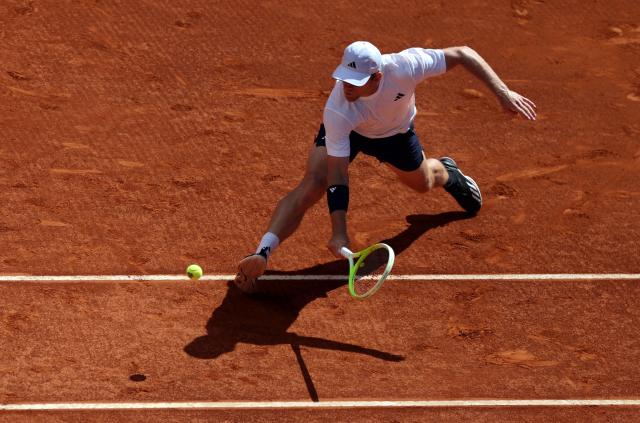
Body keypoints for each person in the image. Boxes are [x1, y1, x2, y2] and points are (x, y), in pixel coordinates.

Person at [234, 41, 536, 293]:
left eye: (354, 83)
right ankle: (262, 252)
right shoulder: (338, 109)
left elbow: (462, 54)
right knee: (314, 182)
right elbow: (337, 174)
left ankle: (447, 172)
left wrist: (502, 92)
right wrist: (339, 233)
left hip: (395, 134)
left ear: (377, 77)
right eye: (343, 78)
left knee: (422, 183)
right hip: (351, 131)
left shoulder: (405, 67)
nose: (345, 87)